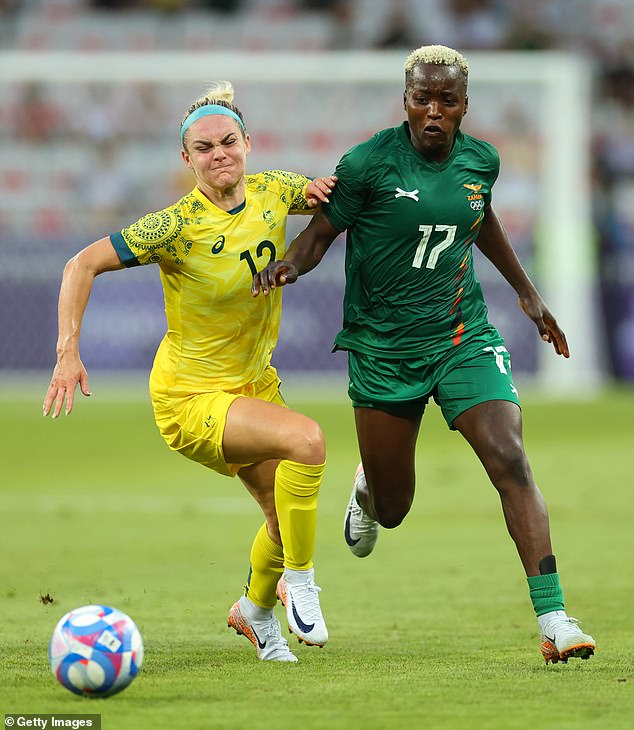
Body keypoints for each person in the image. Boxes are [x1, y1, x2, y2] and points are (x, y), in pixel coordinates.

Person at [252, 45, 596, 664]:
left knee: (509, 456)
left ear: (465, 105)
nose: (434, 111)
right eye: (422, 98)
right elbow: (320, 233)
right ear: (405, 100)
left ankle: (554, 617)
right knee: (395, 508)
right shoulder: (367, 164)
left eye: (448, 100)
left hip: (461, 335)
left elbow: (478, 219)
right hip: (384, 351)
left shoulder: (480, 160)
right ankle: (369, 490)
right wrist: (289, 267)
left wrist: (528, 293)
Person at [43, 81, 338, 663]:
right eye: (203, 148)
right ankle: (300, 583)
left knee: (283, 519)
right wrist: (66, 351)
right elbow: (82, 264)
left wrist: (343, 184)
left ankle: (253, 613)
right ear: (187, 159)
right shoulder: (174, 226)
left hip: (253, 383)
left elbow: (334, 200)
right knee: (307, 440)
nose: (218, 153)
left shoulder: (274, 190)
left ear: (248, 143)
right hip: (191, 396)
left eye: (228, 141)